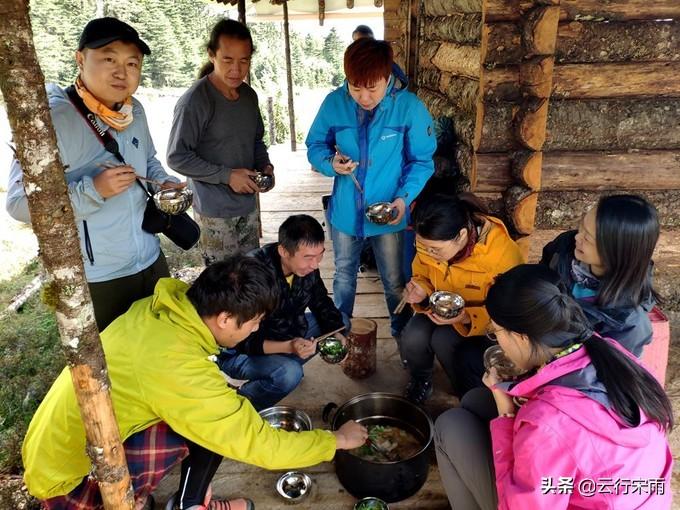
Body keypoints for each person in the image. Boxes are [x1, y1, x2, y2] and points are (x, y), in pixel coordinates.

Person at [22, 255, 367, 510]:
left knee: (219, 412)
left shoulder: (161, 308)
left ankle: (188, 501)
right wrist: (335, 439)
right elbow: (261, 445)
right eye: (255, 322)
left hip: (59, 447)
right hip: (69, 480)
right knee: (223, 422)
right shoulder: (174, 366)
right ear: (225, 318)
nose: (256, 329)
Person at [434, 264, 673, 510]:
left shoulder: (547, 423)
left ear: (521, 337)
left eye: (496, 332)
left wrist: (506, 414)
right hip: (623, 493)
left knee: (450, 425)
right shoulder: (607, 351)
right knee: (476, 400)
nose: (498, 341)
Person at [6, 17, 182, 331]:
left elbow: (149, 160)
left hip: (150, 258)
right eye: (108, 59)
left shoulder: (134, 109)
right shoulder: (50, 120)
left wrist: (162, 182)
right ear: (80, 59)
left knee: (160, 348)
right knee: (113, 365)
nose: (122, 72)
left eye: (132, 63)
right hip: (99, 276)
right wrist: (94, 190)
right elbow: (19, 204)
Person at [306, 37, 436, 341]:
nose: (363, 96)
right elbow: (315, 145)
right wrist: (330, 163)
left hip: (389, 212)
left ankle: (402, 336)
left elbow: (421, 161)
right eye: (355, 87)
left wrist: (404, 201)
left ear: (387, 77)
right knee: (343, 276)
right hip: (345, 212)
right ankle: (340, 333)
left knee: (393, 279)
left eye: (372, 88)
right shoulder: (334, 103)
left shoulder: (408, 108)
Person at [399, 193, 523, 404]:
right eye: (424, 247)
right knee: (412, 336)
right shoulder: (430, 241)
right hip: (439, 309)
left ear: (462, 235)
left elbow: (510, 312)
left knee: (444, 341)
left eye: (435, 249)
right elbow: (421, 273)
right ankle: (421, 379)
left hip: (486, 326)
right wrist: (421, 290)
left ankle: (464, 389)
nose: (429, 252)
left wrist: (466, 318)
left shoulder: (502, 256)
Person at [217, 214, 350, 410]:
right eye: (308, 257)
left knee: (342, 322)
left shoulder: (307, 268)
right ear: (283, 251)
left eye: (320, 255)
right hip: (239, 351)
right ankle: (240, 405)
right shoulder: (252, 275)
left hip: (285, 332)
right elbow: (241, 341)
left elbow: (321, 301)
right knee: (288, 374)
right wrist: (289, 346)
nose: (315, 264)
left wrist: (336, 332)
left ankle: (284, 363)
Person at [167, 19, 274, 264]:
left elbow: (256, 139)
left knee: (250, 276)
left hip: (247, 206)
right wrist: (227, 176)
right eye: (227, 60)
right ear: (212, 55)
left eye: (244, 60)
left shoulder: (248, 96)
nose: (236, 69)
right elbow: (177, 157)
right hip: (213, 212)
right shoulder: (195, 101)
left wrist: (265, 166)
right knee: (223, 284)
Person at [540, 194, 660, 357]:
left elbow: (608, 375)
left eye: (588, 238)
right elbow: (539, 278)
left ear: (616, 252)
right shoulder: (565, 248)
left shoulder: (627, 323)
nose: (577, 237)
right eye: (581, 227)